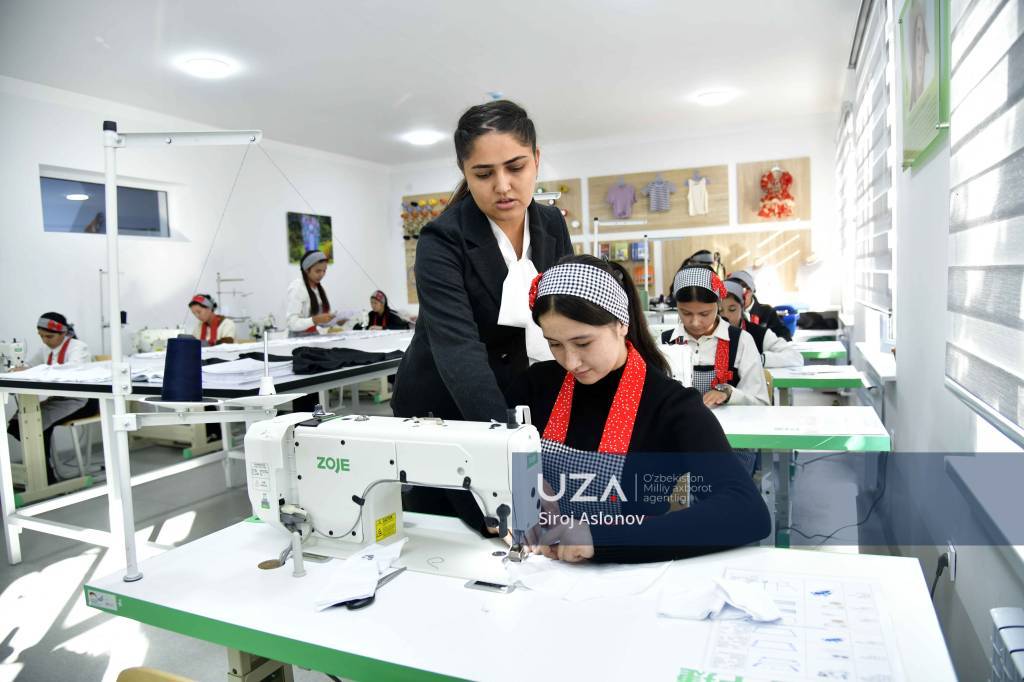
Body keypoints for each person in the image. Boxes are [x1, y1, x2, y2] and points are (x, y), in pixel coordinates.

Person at [512, 255, 770, 563]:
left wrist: (600, 538)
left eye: (583, 343)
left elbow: (746, 511)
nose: (570, 362)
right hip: (538, 568)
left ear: (621, 323)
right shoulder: (537, 385)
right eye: (554, 344)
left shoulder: (668, 405)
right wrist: (517, 481)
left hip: (630, 576)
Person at [392, 100, 573, 422]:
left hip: (520, 391)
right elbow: (458, 350)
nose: (502, 186)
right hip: (443, 406)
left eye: (516, 168)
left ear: (536, 159)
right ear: (464, 171)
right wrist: (503, 436)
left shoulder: (552, 224)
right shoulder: (441, 240)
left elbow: (568, 313)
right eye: (483, 173)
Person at [6, 313, 97, 483]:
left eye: (49, 336)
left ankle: (46, 479)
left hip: (84, 401)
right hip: (61, 399)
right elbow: (31, 365)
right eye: (41, 336)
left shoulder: (79, 347)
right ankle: (39, 475)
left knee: (36, 425)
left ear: (63, 333)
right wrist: (20, 368)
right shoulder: (45, 350)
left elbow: (72, 370)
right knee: (19, 424)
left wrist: (34, 369)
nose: (45, 340)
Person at [662, 267, 770, 407]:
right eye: (686, 313)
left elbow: (760, 402)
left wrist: (730, 394)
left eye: (704, 314)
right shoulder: (665, 342)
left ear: (718, 304)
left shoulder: (741, 342)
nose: (695, 322)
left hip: (730, 422)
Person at [720, 280, 803, 368]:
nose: (725, 315)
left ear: (742, 307)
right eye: (719, 310)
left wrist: (759, 360)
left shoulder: (759, 334)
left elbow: (796, 358)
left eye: (732, 309)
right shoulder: (710, 334)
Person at [727, 269, 793, 341]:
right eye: (734, 290)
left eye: (745, 288)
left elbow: (784, 336)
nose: (739, 294)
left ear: (752, 290)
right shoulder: (723, 313)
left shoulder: (767, 312)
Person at [286, 250, 340, 336]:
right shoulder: (297, 287)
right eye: (318, 271)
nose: (322, 274)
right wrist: (315, 320)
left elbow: (321, 323)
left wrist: (336, 321)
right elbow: (292, 323)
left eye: (324, 271)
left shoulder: (318, 289)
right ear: (307, 270)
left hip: (314, 337)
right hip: (298, 340)